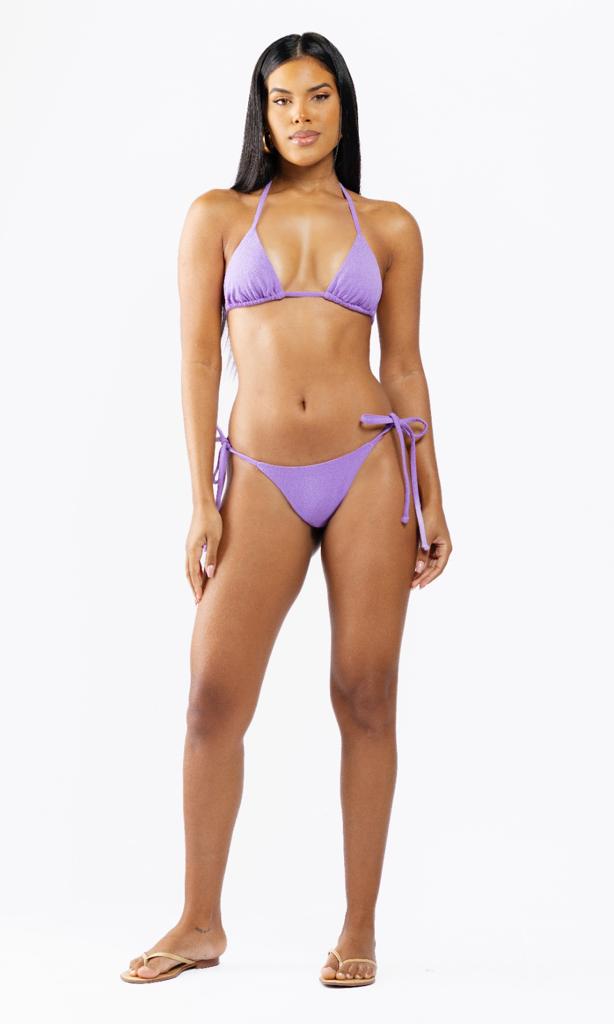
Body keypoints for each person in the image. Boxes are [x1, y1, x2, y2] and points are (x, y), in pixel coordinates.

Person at [121, 31, 452, 989]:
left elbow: (404, 366)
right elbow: (198, 357)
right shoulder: (218, 216)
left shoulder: (390, 226)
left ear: (344, 107)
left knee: (366, 694)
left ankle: (359, 929)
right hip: (259, 474)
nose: (300, 115)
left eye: (317, 96)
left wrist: (432, 490)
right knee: (211, 700)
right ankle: (199, 922)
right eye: (281, 100)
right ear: (261, 117)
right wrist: (201, 499)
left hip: (370, 468)